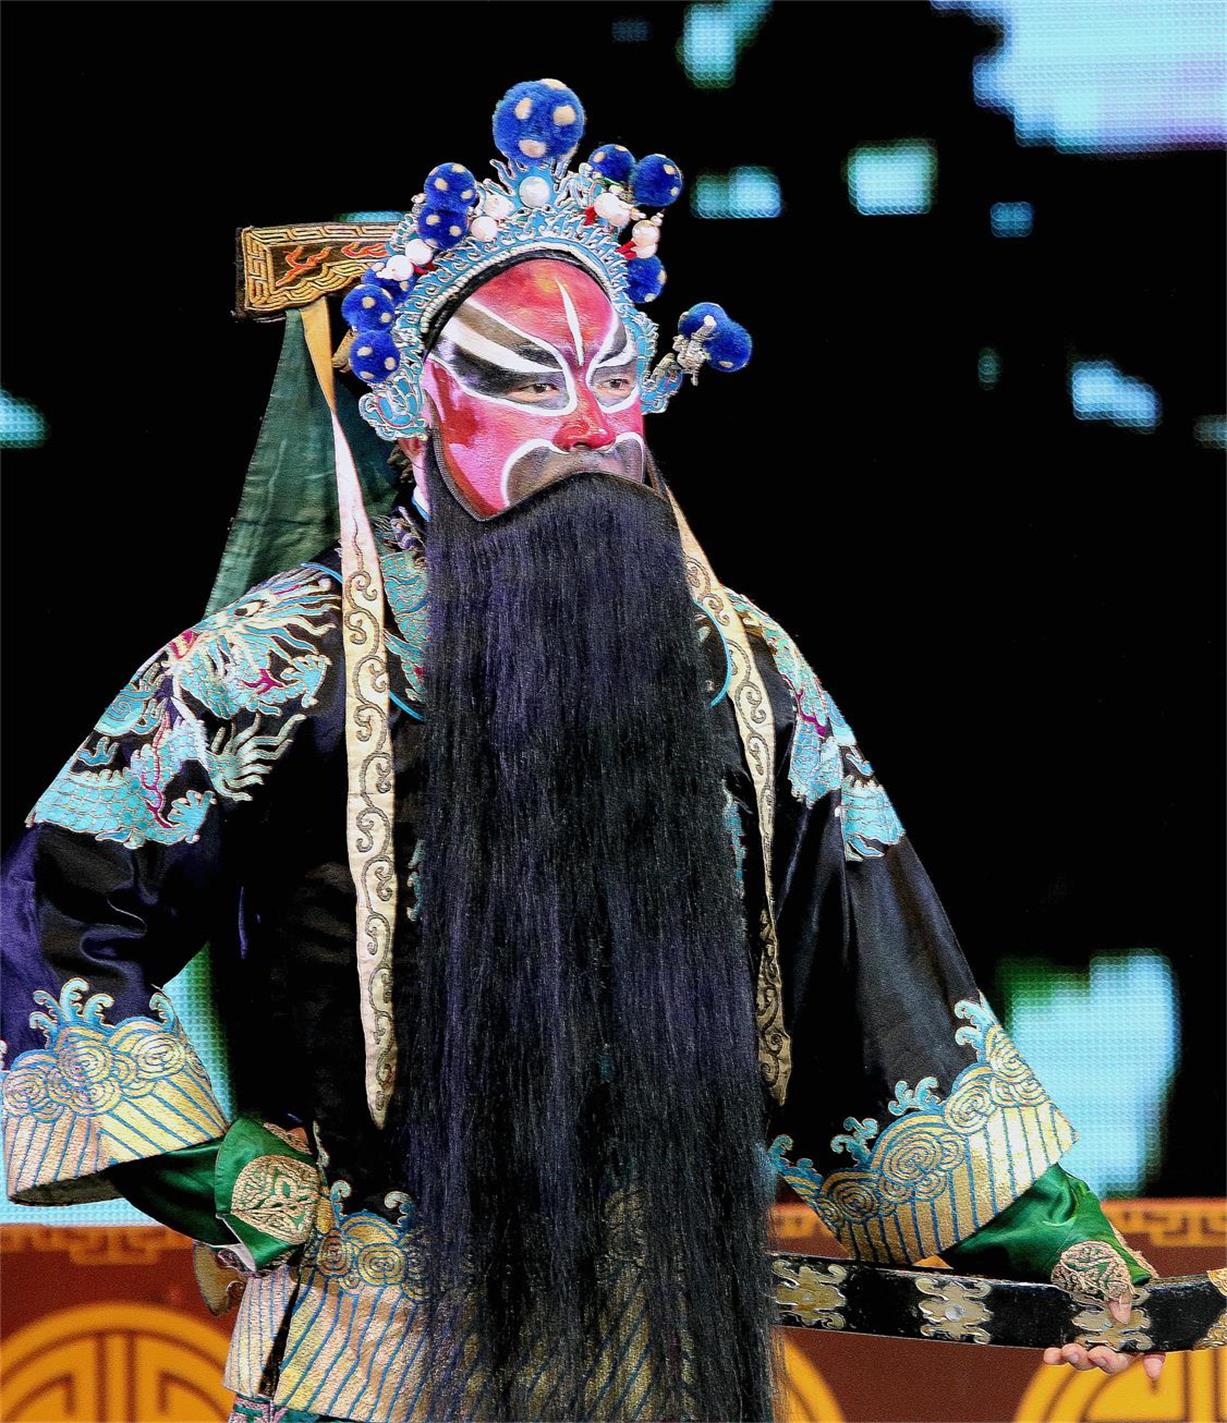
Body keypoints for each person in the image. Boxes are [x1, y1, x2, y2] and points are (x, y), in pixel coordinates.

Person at [0, 78, 1163, 1423]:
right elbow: (56, 927)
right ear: (414, 409)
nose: (592, 428)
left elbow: (876, 995)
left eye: (617, 382)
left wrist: (1070, 1252)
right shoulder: (284, 661)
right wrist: (220, 1176)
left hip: (672, 1354)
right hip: (370, 1356)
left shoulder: (737, 667)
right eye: (523, 383)